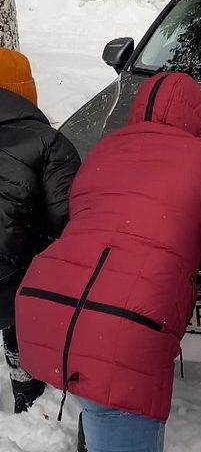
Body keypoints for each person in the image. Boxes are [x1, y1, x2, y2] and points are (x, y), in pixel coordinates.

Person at [16, 72, 201, 452]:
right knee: (112, 405)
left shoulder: (105, 146)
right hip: (126, 323)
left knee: (97, 393)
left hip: (48, 304)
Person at [0, 47, 81, 413]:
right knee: (23, 282)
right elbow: (68, 224)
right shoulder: (49, 143)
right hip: (14, 285)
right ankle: (27, 393)